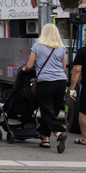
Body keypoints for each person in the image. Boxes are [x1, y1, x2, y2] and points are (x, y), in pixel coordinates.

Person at [25, 23, 68, 152]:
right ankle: (45, 139)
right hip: (60, 82)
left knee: (46, 110)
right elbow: (64, 67)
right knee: (52, 111)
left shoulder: (37, 47)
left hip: (45, 82)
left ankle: (58, 133)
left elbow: (29, 65)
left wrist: (25, 69)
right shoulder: (61, 48)